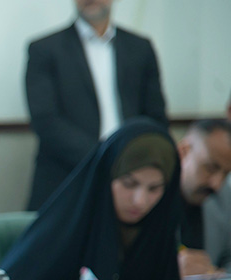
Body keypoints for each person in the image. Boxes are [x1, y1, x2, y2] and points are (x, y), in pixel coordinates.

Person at [0, 118, 182, 280]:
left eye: (154, 188)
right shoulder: (66, 225)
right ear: (107, 176)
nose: (140, 201)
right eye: (129, 184)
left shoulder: (158, 227)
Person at [25, 0, 167, 211]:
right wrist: (106, 159)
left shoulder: (140, 48)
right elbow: (45, 120)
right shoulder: (44, 49)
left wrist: (133, 161)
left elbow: (155, 116)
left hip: (133, 178)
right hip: (66, 177)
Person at [174, 119, 231, 277]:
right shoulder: (149, 196)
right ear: (184, 151)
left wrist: (219, 276)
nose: (217, 184)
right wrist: (168, 270)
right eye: (210, 168)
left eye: (226, 173)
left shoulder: (225, 197)